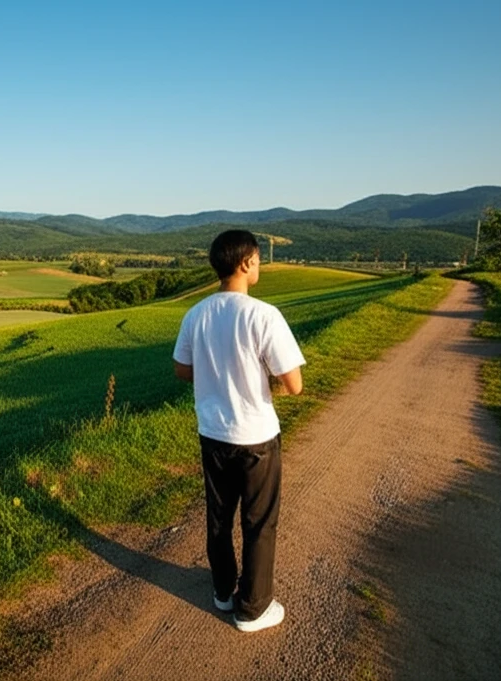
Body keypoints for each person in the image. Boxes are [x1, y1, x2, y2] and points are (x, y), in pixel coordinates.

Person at [172, 229, 305, 633]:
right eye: (260, 260)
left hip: (212, 433)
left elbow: (181, 370)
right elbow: (294, 385)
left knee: (219, 517)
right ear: (246, 263)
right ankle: (253, 609)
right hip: (257, 438)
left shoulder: (196, 314)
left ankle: (223, 592)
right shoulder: (264, 315)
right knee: (259, 521)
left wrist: (215, 374)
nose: (260, 266)